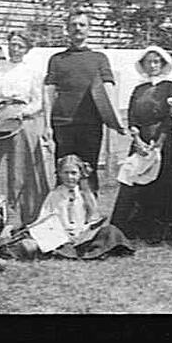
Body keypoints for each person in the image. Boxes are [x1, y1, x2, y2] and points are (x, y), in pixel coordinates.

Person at [43, 12, 125, 201]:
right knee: (64, 171)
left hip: (90, 124)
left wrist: (116, 120)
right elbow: (48, 93)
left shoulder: (99, 58)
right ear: (67, 29)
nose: (77, 28)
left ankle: (90, 213)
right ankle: (63, 213)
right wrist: (47, 125)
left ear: (89, 29)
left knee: (88, 171)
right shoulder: (56, 59)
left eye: (82, 25)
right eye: (73, 25)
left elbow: (108, 89)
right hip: (62, 124)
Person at [110, 46, 172, 244]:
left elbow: (171, 116)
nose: (152, 66)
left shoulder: (170, 87)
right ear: (143, 65)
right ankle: (137, 228)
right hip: (141, 141)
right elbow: (132, 116)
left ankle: (164, 230)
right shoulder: (139, 89)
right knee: (135, 181)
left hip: (163, 139)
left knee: (164, 184)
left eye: (156, 62)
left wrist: (159, 142)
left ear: (163, 64)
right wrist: (137, 141)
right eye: (148, 62)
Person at [0, 31, 51, 225]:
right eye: (12, 44)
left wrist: (23, 112)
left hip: (24, 121)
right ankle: (0, 218)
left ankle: (27, 217)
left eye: (20, 46)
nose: (15, 49)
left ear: (27, 49)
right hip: (2, 120)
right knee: (0, 168)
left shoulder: (33, 72)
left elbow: (38, 101)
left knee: (22, 169)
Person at [34, 155, 134, 260]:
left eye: (73, 173)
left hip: (82, 234)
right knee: (48, 239)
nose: (69, 177)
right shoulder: (54, 195)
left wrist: (86, 229)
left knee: (111, 230)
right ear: (59, 174)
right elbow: (45, 219)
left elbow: (92, 219)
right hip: (62, 235)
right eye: (66, 173)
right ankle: (84, 251)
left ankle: (90, 249)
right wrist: (64, 232)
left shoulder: (85, 194)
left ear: (80, 174)